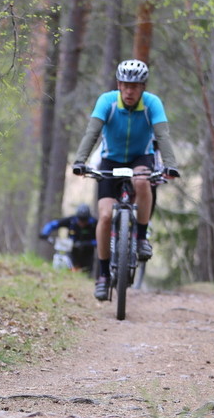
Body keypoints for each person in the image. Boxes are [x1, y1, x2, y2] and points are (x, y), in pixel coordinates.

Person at [72, 59, 177, 301]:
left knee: (142, 181)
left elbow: (163, 134)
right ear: (119, 84)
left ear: (143, 87)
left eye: (135, 86)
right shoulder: (106, 102)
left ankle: (141, 238)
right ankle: (103, 276)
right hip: (110, 160)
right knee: (106, 216)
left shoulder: (152, 104)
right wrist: (80, 160)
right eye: (125, 85)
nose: (130, 91)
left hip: (141, 157)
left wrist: (170, 164)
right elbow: (92, 132)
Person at [39, 202, 96, 272]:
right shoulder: (71, 220)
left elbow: (101, 241)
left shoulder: (94, 223)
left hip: (87, 254)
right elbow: (53, 224)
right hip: (72, 251)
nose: (82, 223)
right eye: (80, 220)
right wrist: (45, 233)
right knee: (69, 266)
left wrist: (86, 243)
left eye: (84, 220)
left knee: (85, 271)